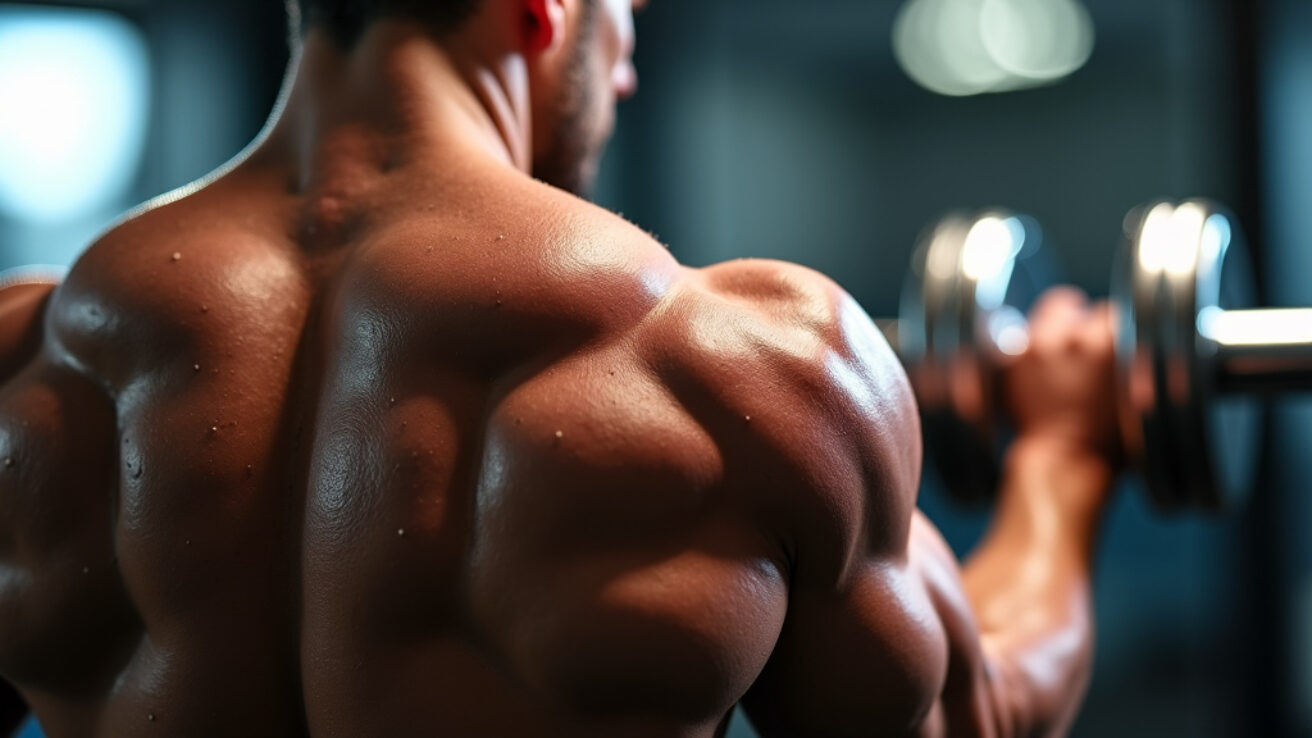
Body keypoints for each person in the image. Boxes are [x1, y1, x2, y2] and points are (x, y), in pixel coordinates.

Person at [0, 0, 1122, 735]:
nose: (627, 67)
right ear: (540, 11)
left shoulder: (30, 365)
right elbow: (973, 714)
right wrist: (1065, 454)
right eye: (623, 13)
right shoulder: (740, 361)